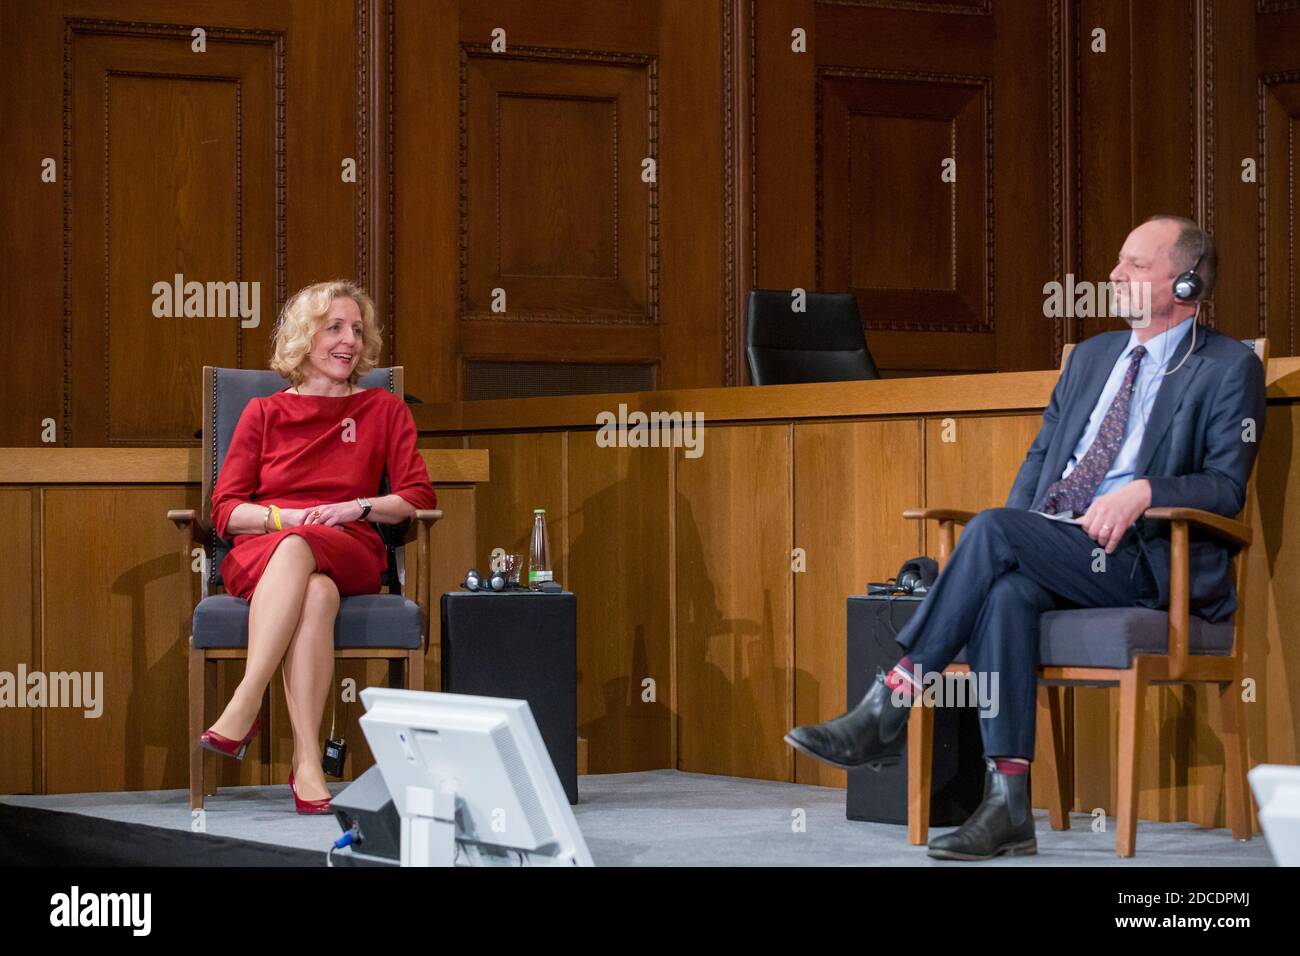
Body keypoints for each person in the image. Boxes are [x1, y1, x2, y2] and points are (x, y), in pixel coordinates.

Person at [785, 215, 1266, 859]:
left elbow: (1225, 488)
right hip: (1059, 543)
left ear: (1183, 283)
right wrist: (1007, 540)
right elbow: (1041, 462)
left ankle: (891, 702)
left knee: (995, 538)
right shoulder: (1093, 357)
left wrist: (1146, 491)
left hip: (1142, 558)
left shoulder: (1226, 365)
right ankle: (1009, 801)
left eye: (1135, 266)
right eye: (1118, 262)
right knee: (1005, 590)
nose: (1115, 277)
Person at [201, 280, 437, 814]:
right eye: (334, 327)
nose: (349, 340)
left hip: (349, 541)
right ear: (305, 338)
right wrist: (284, 518)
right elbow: (227, 511)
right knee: (314, 592)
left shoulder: (384, 409)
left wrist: (358, 507)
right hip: (268, 547)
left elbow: (417, 495)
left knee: (305, 548)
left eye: (356, 329)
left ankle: (245, 700)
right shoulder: (263, 413)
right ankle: (307, 762)